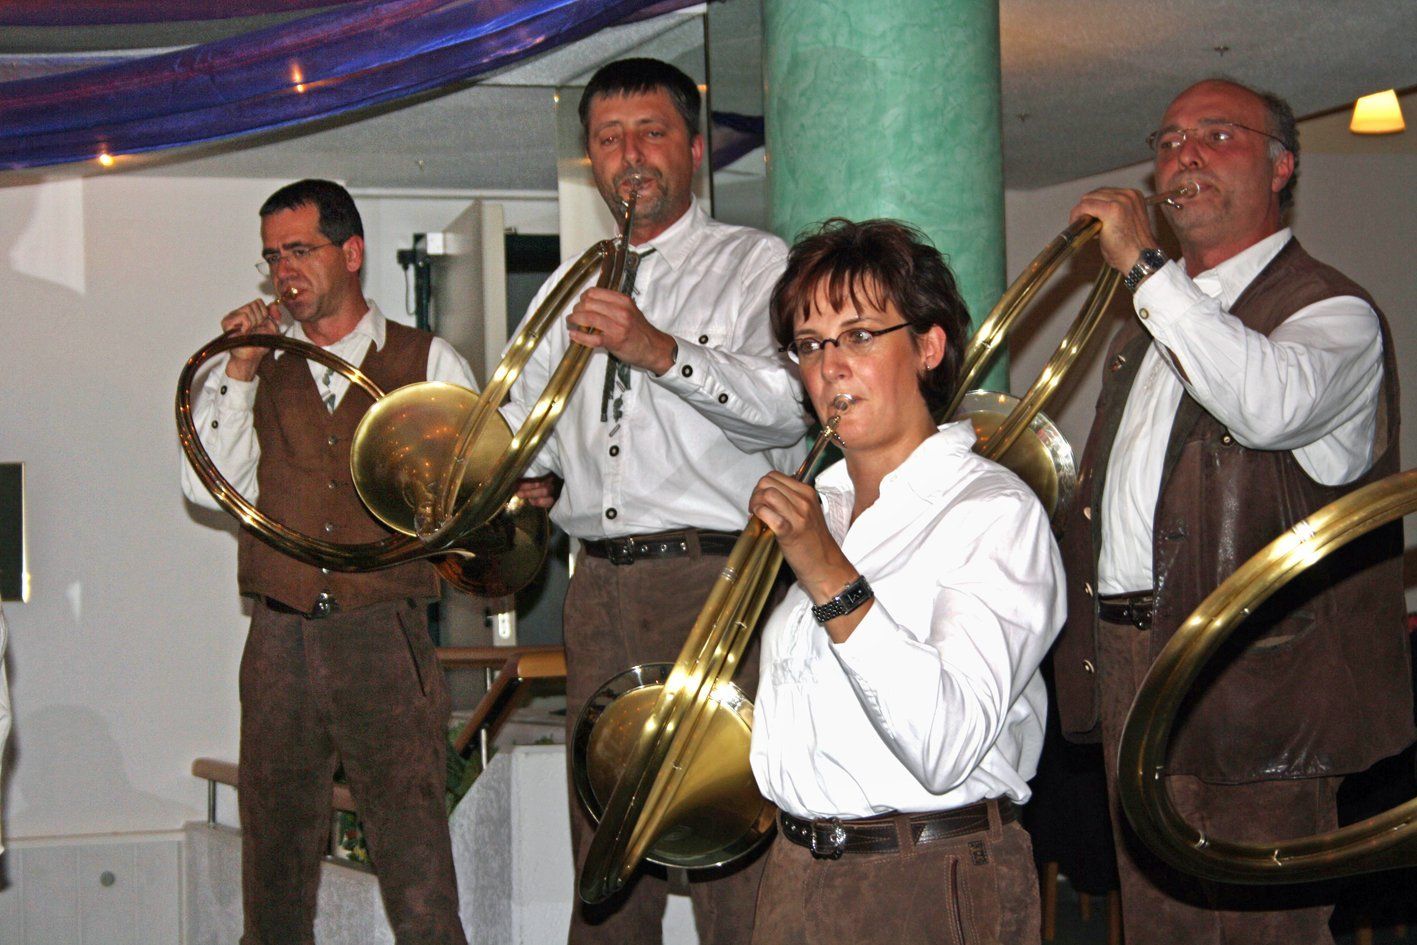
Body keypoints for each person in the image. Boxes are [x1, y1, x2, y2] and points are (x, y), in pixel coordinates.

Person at [1053, 79, 1412, 945]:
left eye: (1218, 135)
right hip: (1131, 654)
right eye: (1169, 140)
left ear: (1281, 167)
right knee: (1160, 923)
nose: (1183, 154)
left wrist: (1146, 271)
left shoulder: (1332, 310)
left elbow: (1265, 405)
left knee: (1264, 929)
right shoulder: (1151, 323)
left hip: (1255, 675)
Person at [500, 58, 808, 944]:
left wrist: (658, 349)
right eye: (608, 139)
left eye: (650, 132)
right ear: (590, 161)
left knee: (730, 839)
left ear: (695, 148)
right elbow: (531, 426)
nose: (629, 155)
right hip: (595, 587)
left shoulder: (755, 262)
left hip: (714, 580)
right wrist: (520, 473)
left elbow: (786, 411)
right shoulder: (567, 284)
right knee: (605, 852)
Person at [747, 218, 1066, 944]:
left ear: (928, 347)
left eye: (859, 335)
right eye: (809, 344)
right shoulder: (823, 504)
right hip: (796, 876)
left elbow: (946, 743)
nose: (830, 366)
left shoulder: (993, 511)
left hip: (926, 880)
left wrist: (826, 571)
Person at [181, 179, 477, 945]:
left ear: (351, 253)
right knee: (273, 875)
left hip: (383, 631)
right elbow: (203, 487)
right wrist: (240, 371)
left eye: (299, 250)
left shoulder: (428, 358)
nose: (283, 271)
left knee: (418, 872)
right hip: (278, 637)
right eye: (272, 256)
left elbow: (473, 496)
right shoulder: (251, 365)